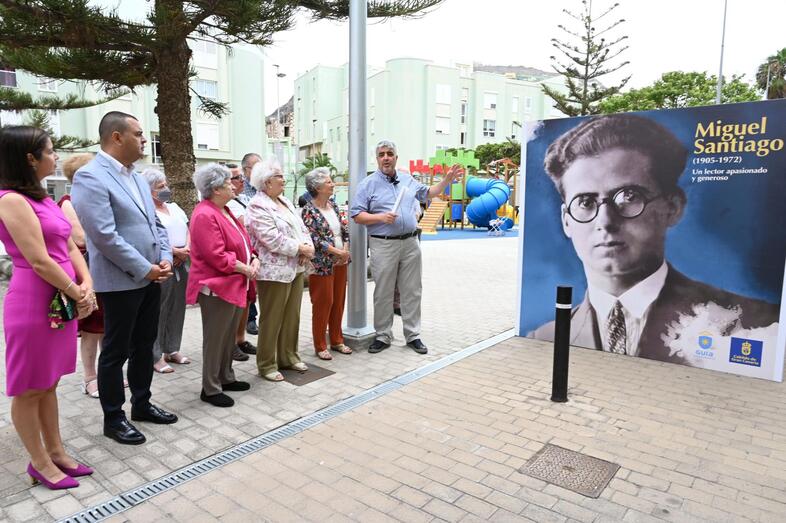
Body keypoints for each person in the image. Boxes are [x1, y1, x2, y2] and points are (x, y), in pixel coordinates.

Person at [529, 113, 780, 363]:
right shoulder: (545, 337)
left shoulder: (756, 324)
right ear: (566, 220)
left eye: (629, 196)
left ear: (672, 207)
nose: (605, 221)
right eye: (585, 202)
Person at [71, 111, 178, 445]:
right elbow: (103, 236)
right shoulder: (90, 177)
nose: (144, 139)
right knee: (116, 351)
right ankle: (113, 418)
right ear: (116, 137)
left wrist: (164, 258)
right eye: (139, 133)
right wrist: (144, 267)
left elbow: (155, 225)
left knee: (144, 345)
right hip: (120, 281)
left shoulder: (136, 176)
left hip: (150, 277)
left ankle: (142, 404)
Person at [0, 126, 97, 489]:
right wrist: (77, 291)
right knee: (30, 387)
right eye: (51, 151)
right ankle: (38, 462)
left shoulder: (42, 199)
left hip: (62, 296)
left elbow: (71, 246)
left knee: (50, 383)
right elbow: (39, 260)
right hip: (34, 301)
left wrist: (88, 285)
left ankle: (56, 451)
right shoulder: (10, 200)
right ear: (30, 158)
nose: (55, 157)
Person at [350, 140, 463, 355]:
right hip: (383, 244)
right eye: (382, 154)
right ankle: (383, 335)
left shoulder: (407, 180)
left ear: (395, 157)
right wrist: (381, 217)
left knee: (412, 290)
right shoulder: (368, 184)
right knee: (383, 291)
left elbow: (428, 193)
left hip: (411, 243)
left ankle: (413, 335)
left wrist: (446, 180)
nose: (386, 157)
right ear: (377, 159)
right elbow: (357, 215)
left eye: (390, 153)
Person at [188, 163, 259, 406]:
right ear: (216, 189)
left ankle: (226, 377)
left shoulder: (224, 210)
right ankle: (210, 388)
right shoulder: (204, 214)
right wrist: (245, 267)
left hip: (234, 282)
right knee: (215, 338)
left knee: (228, 335)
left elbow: (243, 241)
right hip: (217, 286)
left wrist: (254, 257)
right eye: (229, 182)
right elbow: (216, 255)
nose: (234, 184)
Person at [246, 158, 314, 381]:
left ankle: (289, 357)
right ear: (266, 182)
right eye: (279, 176)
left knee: (292, 316)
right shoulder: (257, 205)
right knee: (272, 318)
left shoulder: (284, 200)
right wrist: (300, 248)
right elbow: (271, 239)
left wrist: (307, 247)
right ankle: (266, 363)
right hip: (273, 271)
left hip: (295, 267)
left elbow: (301, 228)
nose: (283, 180)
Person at [58, 153, 106, 398]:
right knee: (91, 327)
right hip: (87, 273)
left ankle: (108, 372)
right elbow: (80, 239)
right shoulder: (68, 201)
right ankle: (90, 377)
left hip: (104, 270)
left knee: (105, 326)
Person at [141, 168, 191, 373]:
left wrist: (185, 250)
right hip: (163, 262)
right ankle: (155, 355)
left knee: (178, 307)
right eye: (160, 187)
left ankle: (172, 348)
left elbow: (188, 228)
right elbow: (153, 236)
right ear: (149, 190)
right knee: (158, 310)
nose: (166, 189)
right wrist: (174, 253)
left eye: (165, 185)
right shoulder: (146, 210)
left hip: (182, 262)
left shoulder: (175, 207)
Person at [301, 168, 352, 361]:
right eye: (329, 182)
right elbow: (313, 238)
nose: (332, 184)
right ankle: (320, 344)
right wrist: (336, 252)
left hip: (341, 261)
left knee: (338, 302)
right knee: (324, 303)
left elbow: (344, 229)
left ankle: (337, 340)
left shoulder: (334, 205)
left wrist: (345, 250)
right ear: (317, 187)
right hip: (322, 264)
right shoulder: (309, 210)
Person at [225, 163, 256, 361]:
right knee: (233, 307)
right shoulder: (224, 205)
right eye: (236, 178)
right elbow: (247, 224)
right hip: (234, 265)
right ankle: (230, 345)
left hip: (248, 260)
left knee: (246, 302)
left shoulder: (242, 199)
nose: (241, 181)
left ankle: (240, 339)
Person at [241, 152, 262, 335]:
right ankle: (250, 319)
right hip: (244, 242)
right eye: (256, 167)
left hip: (260, 241)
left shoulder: (261, 187)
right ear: (246, 169)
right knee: (248, 283)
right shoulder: (240, 188)